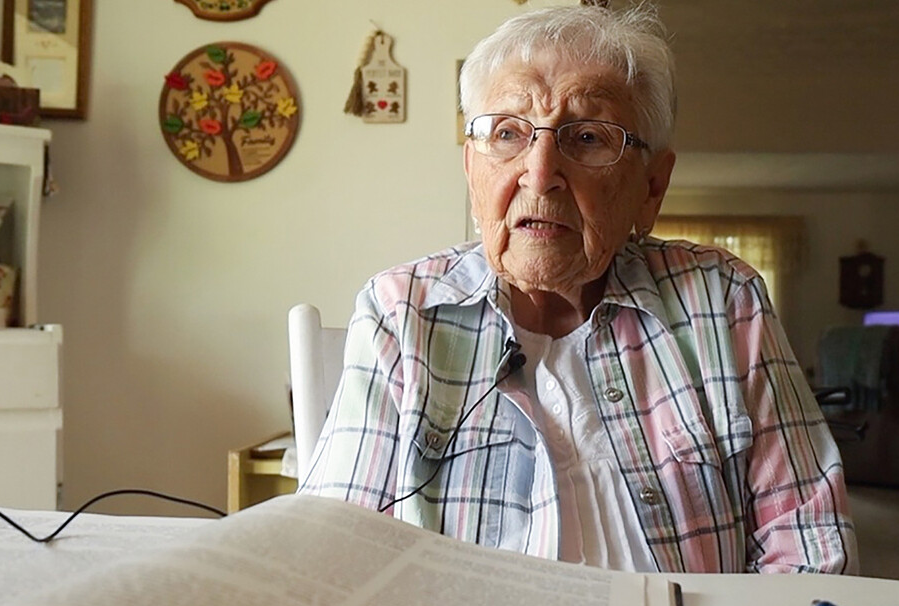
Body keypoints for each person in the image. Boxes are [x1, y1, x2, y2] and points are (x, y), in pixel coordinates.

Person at [298, 3, 857, 574]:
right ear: (472, 170)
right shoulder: (402, 311)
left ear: (651, 187)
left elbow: (810, 545)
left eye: (588, 137)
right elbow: (332, 553)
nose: (539, 173)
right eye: (508, 133)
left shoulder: (721, 300)